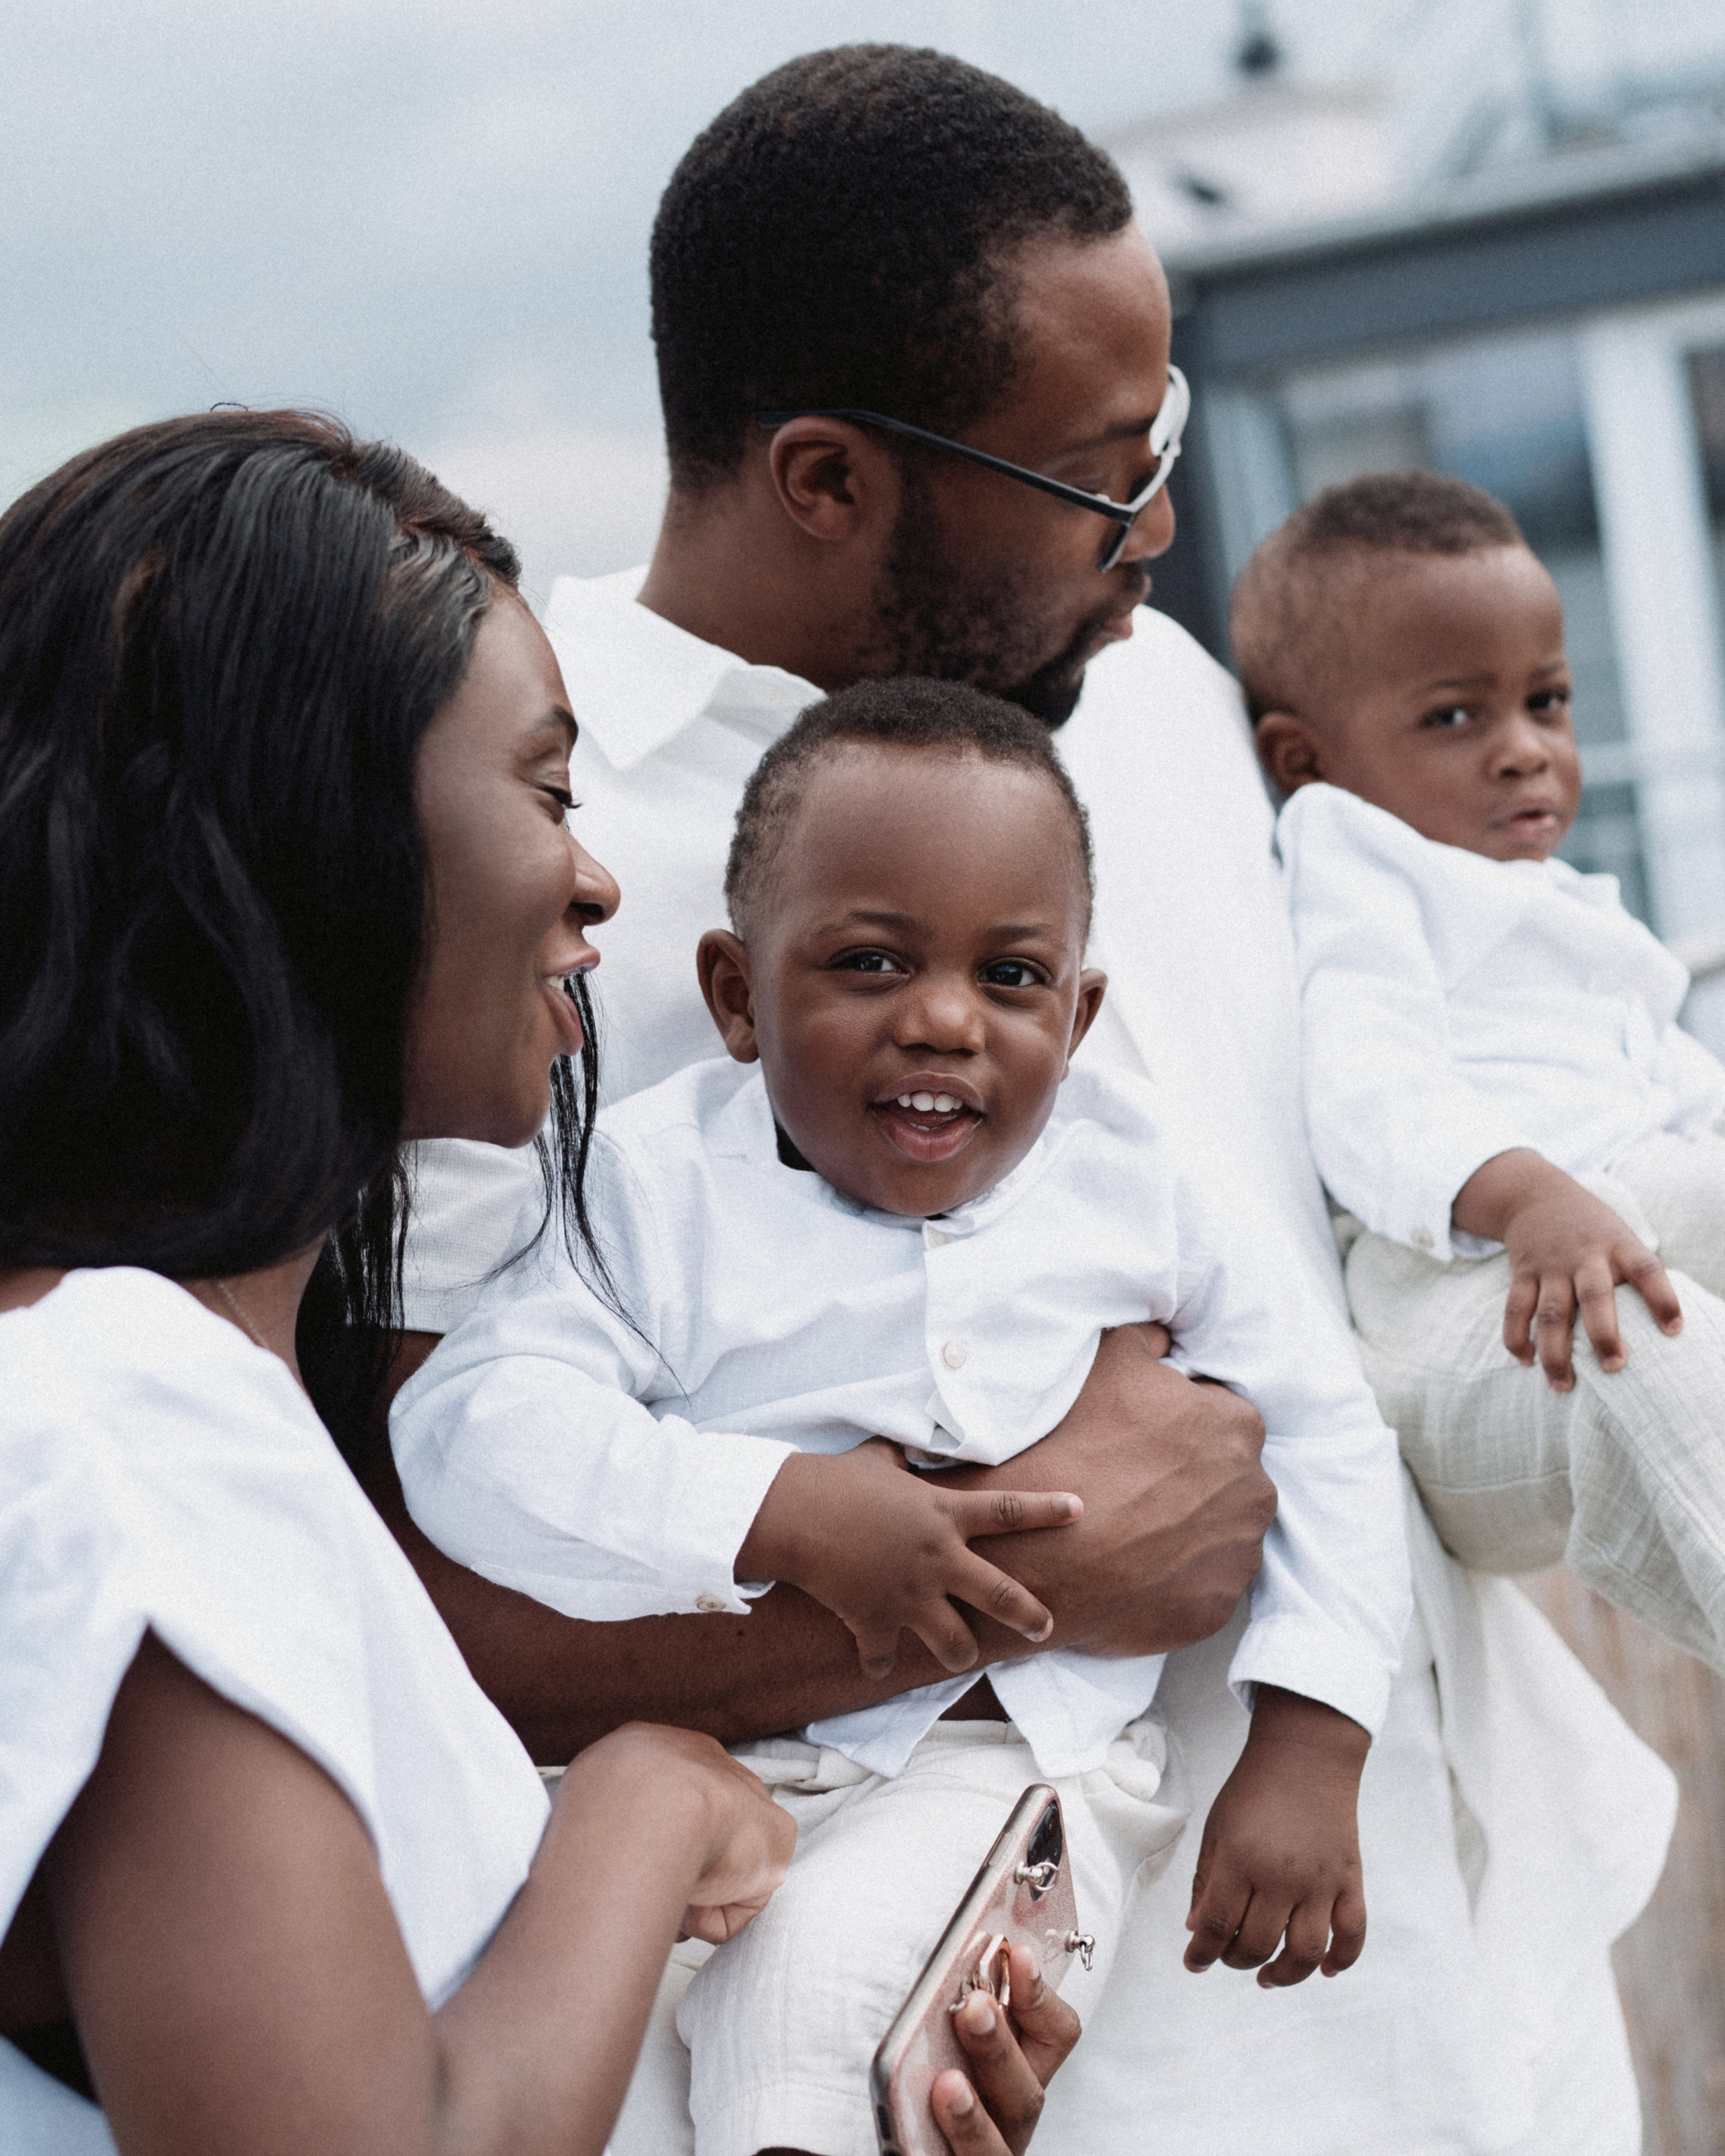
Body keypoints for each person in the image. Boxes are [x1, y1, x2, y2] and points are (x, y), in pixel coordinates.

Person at [387, 46, 1677, 2156]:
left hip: (1480, 1971)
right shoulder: (534, 845)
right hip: (1045, 2068)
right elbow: (410, 1584)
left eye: (1165, 437)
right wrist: (1040, 1579)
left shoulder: (1157, 703)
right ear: (827, 480)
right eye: (1097, 473)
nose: (1158, 523)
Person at [0, 408, 1069, 2156]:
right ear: (303, 824)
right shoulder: (126, 1404)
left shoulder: (160, 1400)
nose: (593, 879)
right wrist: (647, 1803)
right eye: (547, 790)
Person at [396, 679, 1407, 2156]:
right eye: (870, 963)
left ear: (1079, 1015)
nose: (941, 1020)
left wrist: (1311, 1739)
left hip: (1006, 1779)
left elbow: (1320, 1432)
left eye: (1011, 977)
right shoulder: (649, 1186)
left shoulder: (1143, 1180)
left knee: (824, 2052)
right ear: (737, 997)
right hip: (690, 1756)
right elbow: (472, 1429)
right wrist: (775, 1511)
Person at [1241, 467, 1725, 1672]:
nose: (1525, 752)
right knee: (1639, 1332)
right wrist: (1528, 1198)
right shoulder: (1358, 859)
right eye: (1455, 718)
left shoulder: (1554, 899)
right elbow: (1369, 1086)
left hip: (1610, 1217)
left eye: (1546, 702)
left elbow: (1668, 1075)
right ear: (1305, 760)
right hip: (1453, 1296)